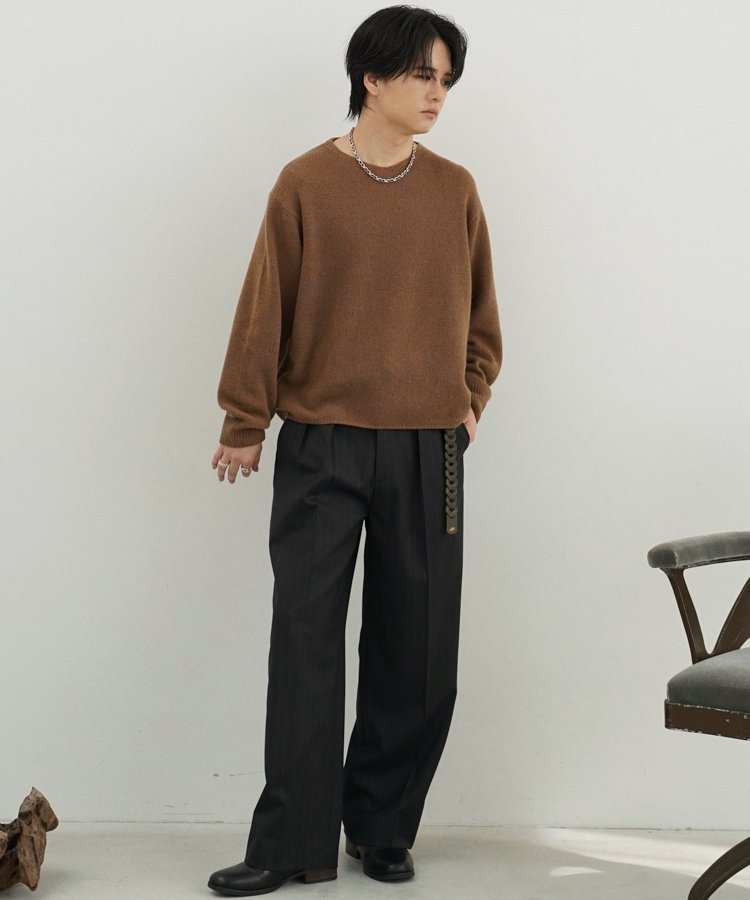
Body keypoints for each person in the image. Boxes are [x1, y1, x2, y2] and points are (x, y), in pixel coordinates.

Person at [207, 4, 502, 896]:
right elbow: (265, 306)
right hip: (322, 442)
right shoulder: (304, 184)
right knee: (304, 638)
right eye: (422, 75)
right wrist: (244, 422)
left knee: (419, 650)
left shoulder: (454, 189)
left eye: (446, 79)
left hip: (428, 447)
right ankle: (291, 842)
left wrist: (471, 396)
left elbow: (482, 317)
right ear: (371, 79)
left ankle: (381, 828)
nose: (437, 93)